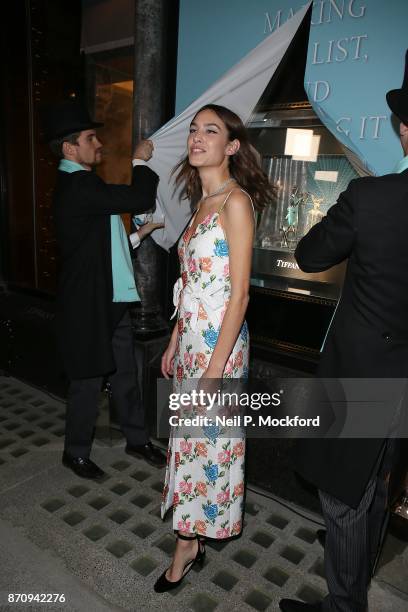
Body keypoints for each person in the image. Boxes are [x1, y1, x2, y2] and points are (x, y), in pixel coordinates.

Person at [279, 51, 408, 612]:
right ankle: (355, 583)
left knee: (341, 496)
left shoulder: (373, 198)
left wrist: (339, 208)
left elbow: (310, 255)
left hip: (362, 374)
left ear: (405, 129)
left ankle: (343, 604)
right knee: (380, 483)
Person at [154, 104, 274, 593]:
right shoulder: (202, 203)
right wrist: (175, 337)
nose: (197, 137)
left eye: (211, 130)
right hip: (192, 341)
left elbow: (240, 294)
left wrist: (214, 370)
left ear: (232, 147)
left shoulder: (235, 203)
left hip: (219, 349)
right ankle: (190, 535)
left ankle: (188, 541)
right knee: (188, 442)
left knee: (208, 445)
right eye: (193, 130)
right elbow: (195, 281)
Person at [45, 99, 166, 480]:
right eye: (90, 138)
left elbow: (97, 245)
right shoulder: (77, 185)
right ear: (69, 148)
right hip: (87, 303)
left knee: (125, 372)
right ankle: (75, 452)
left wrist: (139, 235)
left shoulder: (81, 186)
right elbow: (139, 197)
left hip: (110, 296)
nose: (98, 144)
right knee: (87, 379)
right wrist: (140, 162)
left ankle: (136, 438)